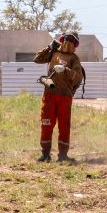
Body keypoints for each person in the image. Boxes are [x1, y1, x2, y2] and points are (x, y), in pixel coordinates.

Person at [33, 32, 84, 162]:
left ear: (75, 44)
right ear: (62, 40)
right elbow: (37, 59)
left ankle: (62, 155)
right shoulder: (53, 53)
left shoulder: (74, 58)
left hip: (65, 96)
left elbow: (78, 76)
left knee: (64, 125)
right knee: (46, 123)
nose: (68, 42)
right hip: (50, 93)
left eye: (71, 40)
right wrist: (48, 48)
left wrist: (65, 70)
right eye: (66, 39)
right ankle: (45, 154)